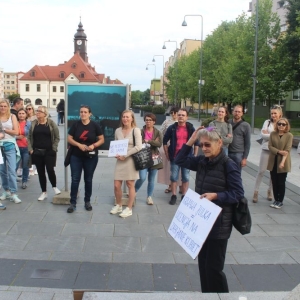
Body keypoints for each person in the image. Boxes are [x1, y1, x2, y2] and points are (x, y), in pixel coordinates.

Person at [175, 126, 244, 293]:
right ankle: (207, 296)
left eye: (208, 145)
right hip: (202, 224)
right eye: (202, 144)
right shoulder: (202, 161)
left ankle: (221, 296)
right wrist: (191, 141)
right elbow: (179, 160)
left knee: (214, 269)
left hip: (219, 225)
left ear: (219, 143)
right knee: (204, 266)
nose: (204, 148)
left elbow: (238, 193)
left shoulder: (229, 165)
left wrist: (216, 196)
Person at [66, 105, 105, 213]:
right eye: (81, 112)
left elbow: (102, 139)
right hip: (76, 156)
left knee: (88, 179)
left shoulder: (95, 125)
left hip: (90, 157)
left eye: (85, 112)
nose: (83, 114)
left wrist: (94, 145)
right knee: (75, 179)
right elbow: (69, 138)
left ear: (90, 114)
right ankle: (72, 203)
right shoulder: (76, 125)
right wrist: (78, 145)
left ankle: (87, 201)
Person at [110, 110, 142, 218]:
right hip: (120, 160)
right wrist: (115, 153)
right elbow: (115, 144)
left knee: (130, 184)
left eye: (127, 117)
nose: (125, 119)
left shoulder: (136, 130)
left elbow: (138, 147)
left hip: (130, 160)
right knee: (116, 185)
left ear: (132, 118)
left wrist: (126, 155)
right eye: (123, 117)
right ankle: (118, 205)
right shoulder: (118, 130)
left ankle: (129, 208)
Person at [163, 108, 199, 205]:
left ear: (187, 117)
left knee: (186, 177)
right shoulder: (172, 128)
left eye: (183, 115)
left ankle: (184, 195)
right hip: (175, 156)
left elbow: (197, 142)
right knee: (174, 177)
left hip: (187, 157)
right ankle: (174, 195)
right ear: (177, 116)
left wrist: (195, 155)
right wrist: (167, 153)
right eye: (179, 115)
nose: (181, 117)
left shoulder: (191, 128)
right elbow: (164, 140)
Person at [27, 106, 61, 201]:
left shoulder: (51, 123)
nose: (37, 113)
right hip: (37, 151)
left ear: (45, 113)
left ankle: (54, 187)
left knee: (50, 169)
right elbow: (29, 137)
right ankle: (44, 192)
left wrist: (53, 148)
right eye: (37, 111)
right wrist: (30, 149)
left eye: (39, 111)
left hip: (49, 151)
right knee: (41, 172)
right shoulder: (34, 124)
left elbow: (57, 137)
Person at [252, 105, 283, 203]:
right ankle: (256, 192)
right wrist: (275, 135)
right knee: (261, 171)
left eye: (275, 113)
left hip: (276, 151)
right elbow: (262, 135)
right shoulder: (267, 122)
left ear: (280, 114)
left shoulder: (282, 123)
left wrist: (269, 135)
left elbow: (283, 136)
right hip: (266, 149)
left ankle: (270, 191)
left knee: (273, 173)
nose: (273, 115)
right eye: (272, 113)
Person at [135, 113, 163, 205]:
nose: (148, 122)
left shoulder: (158, 132)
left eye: (150, 120)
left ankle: (149, 197)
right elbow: (138, 142)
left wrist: (148, 141)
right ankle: (134, 192)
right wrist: (153, 142)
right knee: (142, 177)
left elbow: (159, 144)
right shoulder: (140, 131)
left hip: (154, 158)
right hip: (143, 158)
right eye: (146, 120)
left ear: (154, 122)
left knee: (151, 179)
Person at [267, 118, 293, 209]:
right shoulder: (273, 134)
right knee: (274, 181)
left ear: (286, 126)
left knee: (281, 182)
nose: (281, 126)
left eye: (283, 124)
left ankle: (280, 201)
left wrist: (282, 161)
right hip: (273, 160)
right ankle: (275, 199)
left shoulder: (289, 135)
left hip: (283, 162)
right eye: (279, 124)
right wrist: (278, 151)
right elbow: (270, 146)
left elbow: (287, 150)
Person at [0, 99, 22, 204]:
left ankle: (13, 193)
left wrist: (3, 130)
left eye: (5, 106)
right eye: (1, 106)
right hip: (0, 146)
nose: (3, 108)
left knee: (12, 170)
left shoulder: (12, 116)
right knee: (2, 171)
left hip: (9, 145)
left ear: (8, 107)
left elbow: (16, 132)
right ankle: (6, 190)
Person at [157, 107, 181, 193]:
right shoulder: (167, 122)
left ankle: (180, 185)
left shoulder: (182, 122)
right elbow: (160, 132)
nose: (174, 115)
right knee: (169, 167)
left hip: (180, 146)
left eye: (175, 113)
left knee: (181, 167)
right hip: (169, 145)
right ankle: (170, 185)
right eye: (172, 113)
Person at [228, 105, 251, 169]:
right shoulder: (228, 122)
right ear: (232, 112)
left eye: (239, 112)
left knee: (236, 175)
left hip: (238, 154)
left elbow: (247, 143)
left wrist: (244, 158)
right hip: (227, 151)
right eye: (235, 111)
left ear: (242, 113)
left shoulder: (246, 126)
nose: (237, 113)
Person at [16, 108, 31, 189]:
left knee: (25, 166)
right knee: (14, 166)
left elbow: (32, 135)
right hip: (16, 147)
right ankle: (12, 180)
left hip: (26, 147)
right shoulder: (15, 123)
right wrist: (17, 137)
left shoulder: (29, 124)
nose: (21, 115)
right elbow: (11, 134)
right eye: (20, 113)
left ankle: (24, 181)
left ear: (26, 115)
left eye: (23, 113)